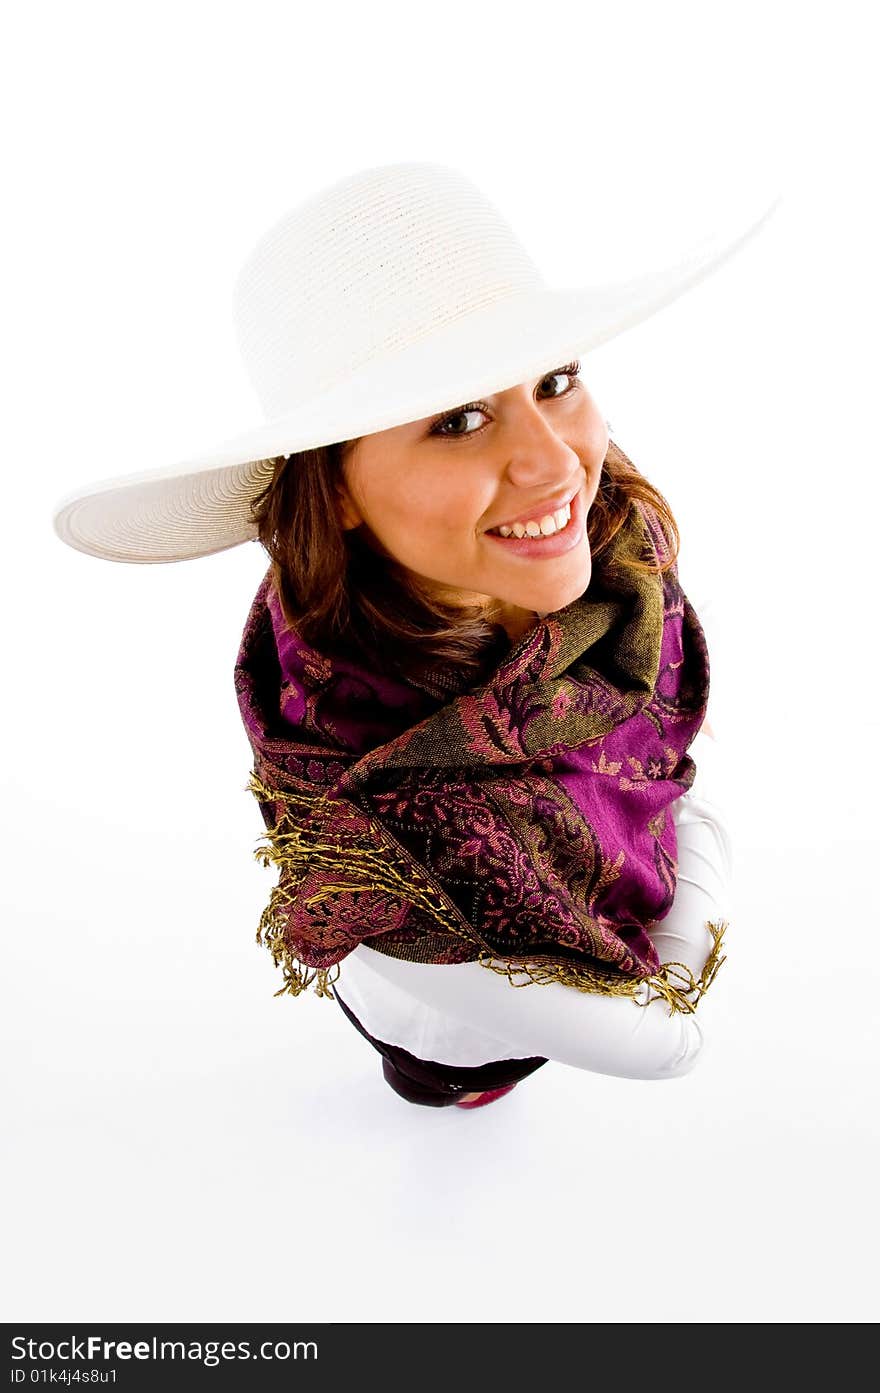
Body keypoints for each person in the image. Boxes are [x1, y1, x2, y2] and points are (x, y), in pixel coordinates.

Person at [51, 161, 771, 1109]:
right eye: (460, 418)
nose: (556, 461)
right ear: (338, 489)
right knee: (458, 1069)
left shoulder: (614, 563)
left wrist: (659, 763)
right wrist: (701, 825)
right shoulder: (380, 848)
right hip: (457, 1023)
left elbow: (668, 667)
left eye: (554, 379)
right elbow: (664, 1034)